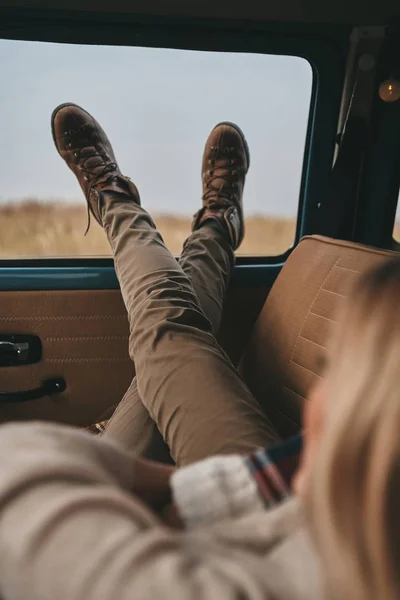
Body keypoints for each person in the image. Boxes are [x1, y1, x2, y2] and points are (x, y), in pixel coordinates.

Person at [0, 104, 398, 600]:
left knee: (170, 322)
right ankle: (197, 220)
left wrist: (199, 484)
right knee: (174, 328)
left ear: (331, 427)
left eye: (343, 386)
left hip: (281, 512)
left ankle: (137, 208)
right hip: (316, 517)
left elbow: (12, 470)